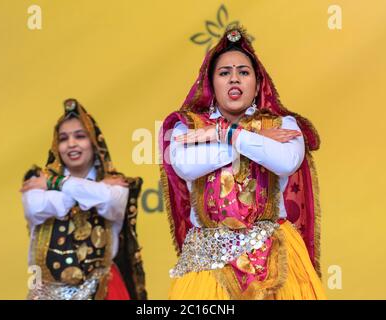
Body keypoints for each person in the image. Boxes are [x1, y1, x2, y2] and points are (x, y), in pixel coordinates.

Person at [160, 27, 326, 299]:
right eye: (224, 73)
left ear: (258, 84)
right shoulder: (187, 127)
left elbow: (284, 162)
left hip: (275, 255)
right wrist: (251, 138)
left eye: (243, 72)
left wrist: (225, 134)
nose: (234, 79)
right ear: (210, 84)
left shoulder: (283, 125)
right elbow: (187, 166)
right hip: (208, 261)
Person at [21, 98, 147, 300]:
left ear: (94, 143)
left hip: (103, 291)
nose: (71, 144)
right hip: (47, 294)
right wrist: (90, 191)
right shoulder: (35, 181)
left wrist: (56, 183)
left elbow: (108, 202)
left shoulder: (118, 184)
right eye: (63, 138)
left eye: (80, 136)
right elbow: (36, 208)